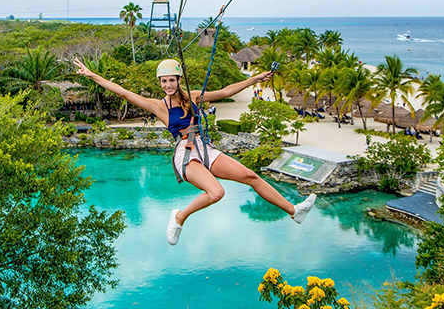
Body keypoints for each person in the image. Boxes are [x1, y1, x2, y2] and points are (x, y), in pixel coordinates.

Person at [73, 58, 316, 246]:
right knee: (217, 191)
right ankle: (179, 218)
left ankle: (294, 211)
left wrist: (256, 79)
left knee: (251, 176)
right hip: (185, 152)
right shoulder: (159, 106)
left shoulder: (194, 97)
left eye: (171, 80)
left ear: (179, 80)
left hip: (206, 148)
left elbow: (225, 92)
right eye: (163, 81)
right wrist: (92, 74)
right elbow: (123, 92)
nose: (167, 85)